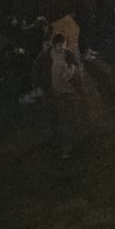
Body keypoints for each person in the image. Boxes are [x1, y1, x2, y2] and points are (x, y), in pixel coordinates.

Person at [44, 32, 84, 160]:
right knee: (55, 120)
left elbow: (78, 72)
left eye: (64, 45)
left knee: (66, 120)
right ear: (55, 45)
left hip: (66, 94)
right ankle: (55, 145)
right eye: (59, 46)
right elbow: (37, 69)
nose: (62, 48)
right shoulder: (46, 56)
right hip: (54, 93)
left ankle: (66, 149)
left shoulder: (69, 55)